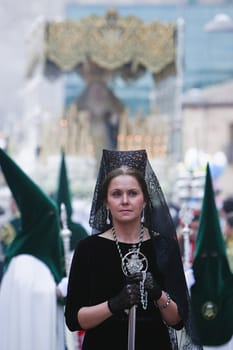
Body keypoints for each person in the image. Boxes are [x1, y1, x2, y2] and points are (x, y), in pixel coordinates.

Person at [65, 149, 202, 350]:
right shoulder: (88, 249)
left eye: (133, 193)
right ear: (106, 201)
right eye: (116, 194)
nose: (125, 201)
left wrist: (158, 294)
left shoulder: (164, 246)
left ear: (144, 200)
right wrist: (114, 304)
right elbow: (74, 320)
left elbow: (178, 320)